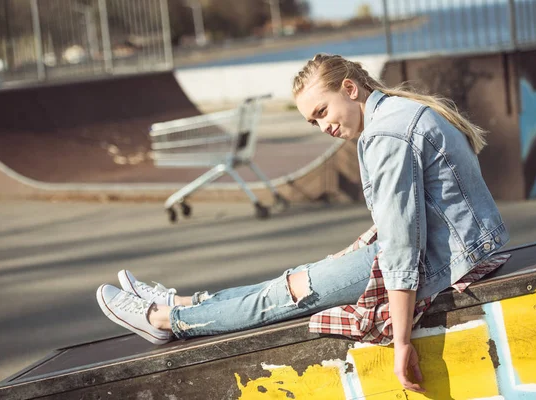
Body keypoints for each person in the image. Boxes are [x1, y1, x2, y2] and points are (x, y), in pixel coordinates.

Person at [96, 53, 510, 393]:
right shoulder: (401, 113)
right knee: (291, 282)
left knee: (288, 292)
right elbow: (417, 210)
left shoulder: (386, 136)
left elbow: (403, 248)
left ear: (350, 89)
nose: (324, 126)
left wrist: (401, 341)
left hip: (439, 262)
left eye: (323, 111)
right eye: (313, 121)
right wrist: (364, 246)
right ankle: (180, 303)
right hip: (458, 248)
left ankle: (162, 320)